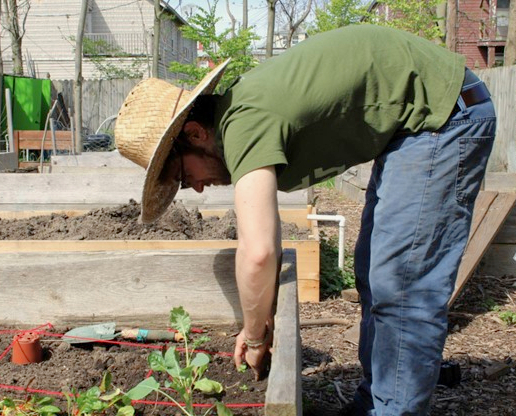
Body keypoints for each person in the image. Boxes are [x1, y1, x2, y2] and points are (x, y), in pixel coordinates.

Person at [115, 24, 496, 416]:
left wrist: (253, 333)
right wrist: (263, 317)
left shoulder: (244, 122)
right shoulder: (243, 112)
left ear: (194, 133)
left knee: (401, 285)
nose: (195, 188)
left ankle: (393, 409)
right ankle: (377, 399)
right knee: (373, 270)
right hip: (415, 125)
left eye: (182, 174)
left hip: (443, 117)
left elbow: (259, 251)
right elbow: (269, 239)